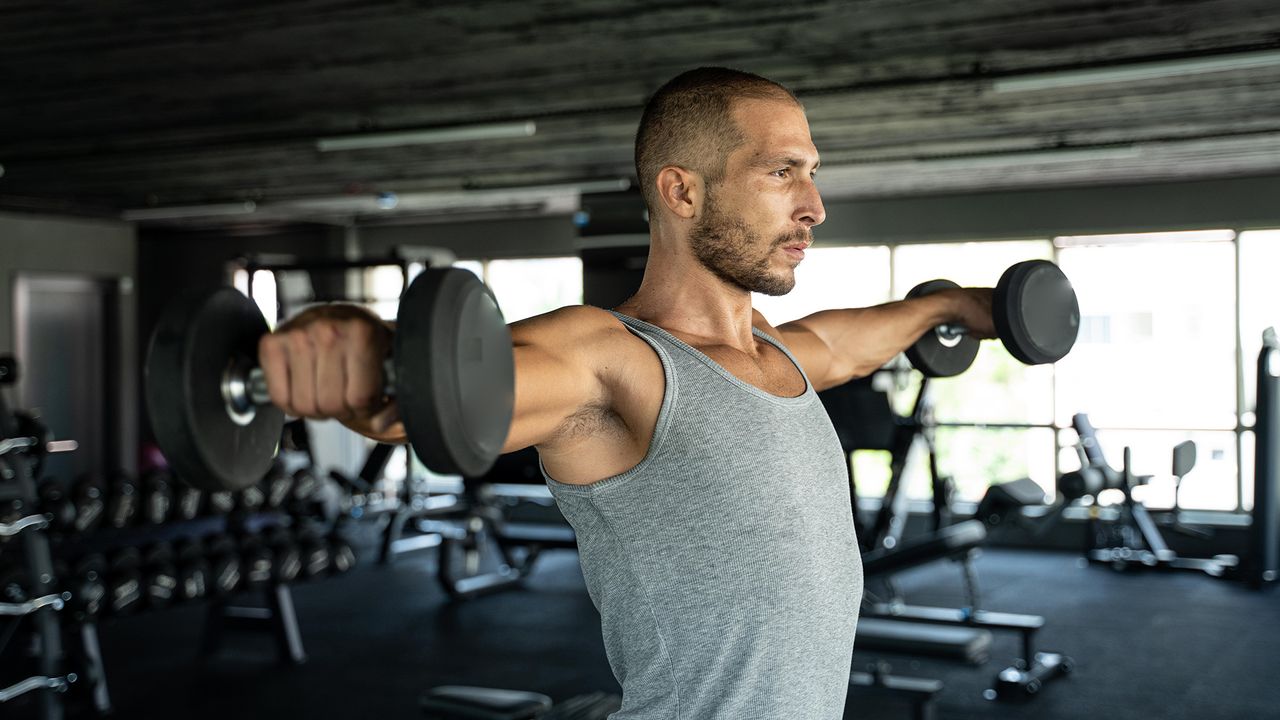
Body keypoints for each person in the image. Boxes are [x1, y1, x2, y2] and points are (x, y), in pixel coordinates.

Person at [258, 67, 995, 719]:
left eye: (813, 172)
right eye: (782, 173)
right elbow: (437, 393)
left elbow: (843, 343)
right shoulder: (610, 359)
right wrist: (353, 347)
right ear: (681, 190)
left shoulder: (775, 351)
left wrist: (950, 308)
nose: (814, 206)